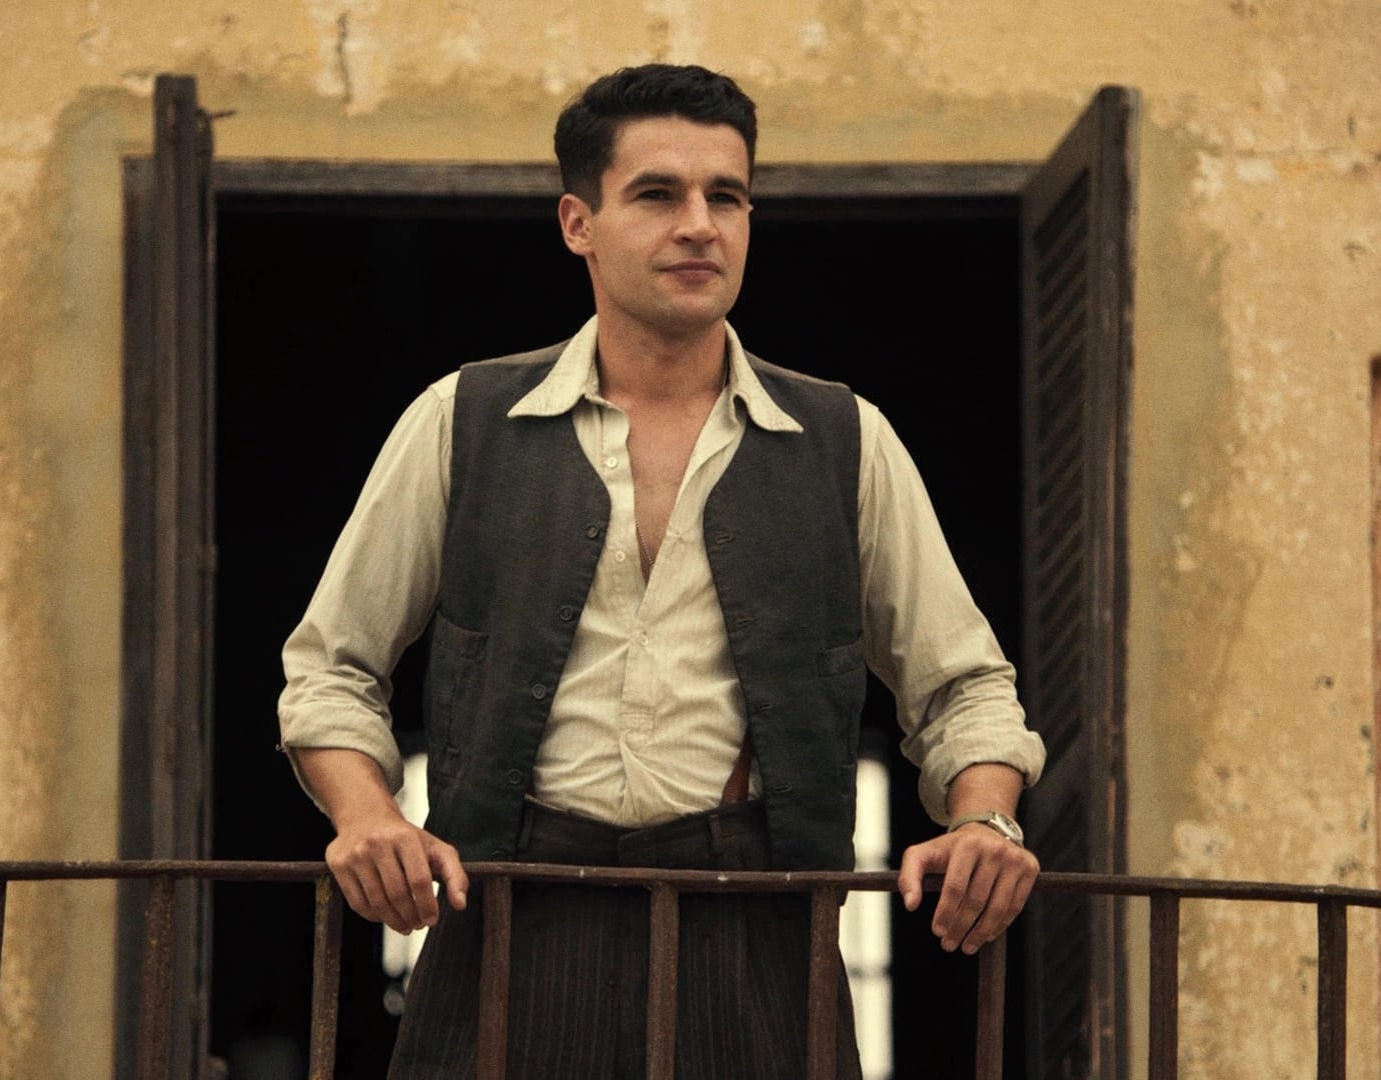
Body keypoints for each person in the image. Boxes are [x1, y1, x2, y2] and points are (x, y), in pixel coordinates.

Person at [278, 63, 1044, 1078]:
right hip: (509, 915)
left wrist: (984, 817)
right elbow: (332, 666)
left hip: (757, 926)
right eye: (657, 194)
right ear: (578, 223)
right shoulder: (462, 422)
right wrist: (368, 816)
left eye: (726, 196)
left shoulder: (843, 439)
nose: (699, 226)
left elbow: (964, 686)